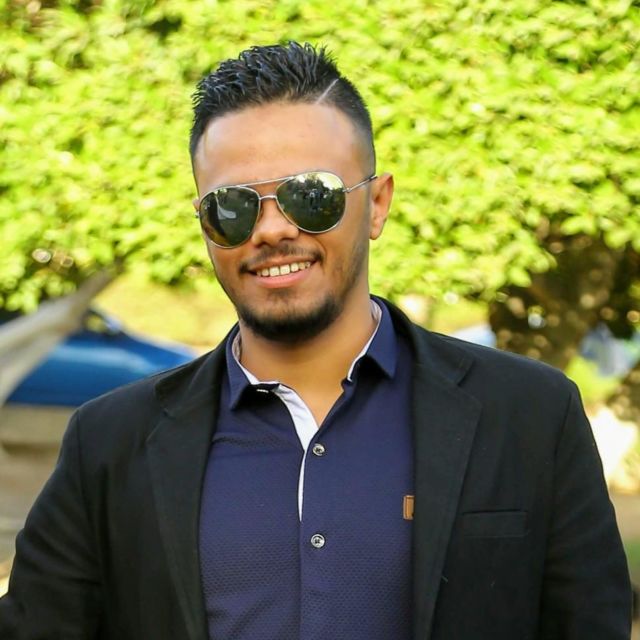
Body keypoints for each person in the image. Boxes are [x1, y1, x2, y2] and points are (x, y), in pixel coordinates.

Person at [0, 41, 632, 640]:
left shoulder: (529, 417)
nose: (272, 229)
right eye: (233, 207)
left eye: (311, 196)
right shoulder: (110, 444)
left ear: (376, 204)